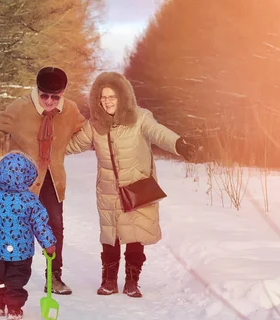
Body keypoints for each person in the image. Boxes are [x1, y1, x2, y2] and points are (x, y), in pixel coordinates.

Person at [0, 67, 87, 295]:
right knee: (13, 227)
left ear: (63, 93)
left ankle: (54, 277)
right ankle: (8, 278)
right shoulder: (20, 108)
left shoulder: (70, 110)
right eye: (44, 96)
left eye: (55, 96)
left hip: (52, 178)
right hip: (19, 182)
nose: (50, 101)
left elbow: (88, 133)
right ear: (37, 91)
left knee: (55, 228)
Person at [66, 71, 196, 298]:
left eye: (112, 97)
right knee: (110, 237)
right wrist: (47, 148)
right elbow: (74, 145)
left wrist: (179, 144)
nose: (107, 101)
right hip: (108, 191)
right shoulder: (94, 126)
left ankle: (132, 281)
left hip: (137, 189)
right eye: (103, 97)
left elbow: (158, 133)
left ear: (123, 97)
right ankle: (108, 281)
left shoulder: (140, 118)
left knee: (136, 237)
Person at [0, 152, 57, 320]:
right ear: (28, 177)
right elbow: (40, 224)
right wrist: (48, 243)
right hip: (21, 251)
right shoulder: (31, 200)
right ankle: (14, 308)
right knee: (17, 278)